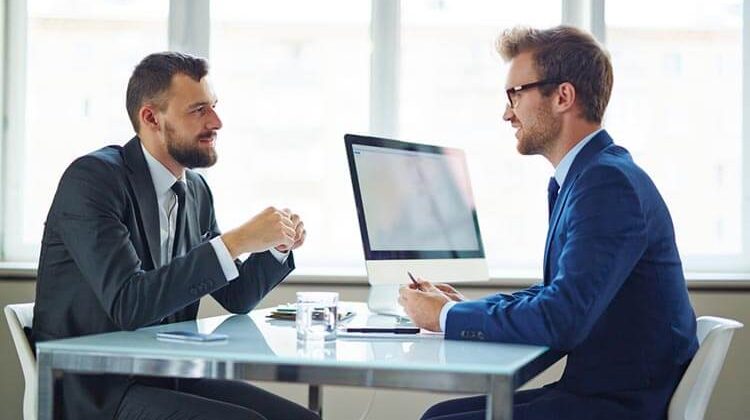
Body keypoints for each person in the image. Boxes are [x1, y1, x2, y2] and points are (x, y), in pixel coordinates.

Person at [399, 26, 698, 420]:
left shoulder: (606, 183)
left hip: (620, 405)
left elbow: (562, 318)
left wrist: (443, 317)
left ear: (562, 97)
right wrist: (461, 309)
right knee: (439, 414)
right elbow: (559, 293)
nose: (507, 113)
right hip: (604, 391)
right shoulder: (587, 176)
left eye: (515, 95)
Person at [32, 52, 320, 420]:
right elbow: (129, 304)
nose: (216, 121)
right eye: (198, 110)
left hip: (166, 375)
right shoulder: (93, 180)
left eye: (213, 106)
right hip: (97, 390)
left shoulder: (196, 190)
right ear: (151, 118)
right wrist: (236, 241)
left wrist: (275, 247)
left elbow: (237, 296)